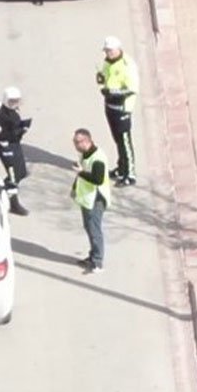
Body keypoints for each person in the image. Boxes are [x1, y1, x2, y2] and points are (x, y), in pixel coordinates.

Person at [96, 35, 140, 186]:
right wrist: (101, 81)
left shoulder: (127, 65)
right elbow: (105, 78)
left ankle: (130, 174)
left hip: (122, 109)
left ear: (118, 49)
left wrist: (113, 93)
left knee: (125, 142)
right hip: (110, 107)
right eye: (106, 51)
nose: (107, 54)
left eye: (110, 51)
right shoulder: (108, 62)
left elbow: (131, 89)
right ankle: (121, 168)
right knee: (117, 141)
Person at [70, 128, 112, 272]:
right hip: (87, 198)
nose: (75, 145)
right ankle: (93, 255)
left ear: (87, 141)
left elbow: (98, 180)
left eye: (78, 142)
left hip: (96, 199)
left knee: (94, 230)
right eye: (74, 141)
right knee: (89, 227)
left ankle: (97, 262)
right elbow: (80, 173)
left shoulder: (98, 159)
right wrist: (75, 187)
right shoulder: (84, 154)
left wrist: (81, 173)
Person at [0, 86, 32, 216]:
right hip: (6, 148)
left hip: (15, 146)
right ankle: (13, 204)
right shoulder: (1, 116)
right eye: (12, 101)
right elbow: (3, 135)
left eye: (16, 101)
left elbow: (14, 125)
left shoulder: (12, 112)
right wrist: (22, 130)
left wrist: (22, 125)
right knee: (14, 177)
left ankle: (0, 186)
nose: (14, 104)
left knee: (22, 172)